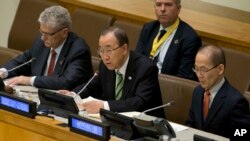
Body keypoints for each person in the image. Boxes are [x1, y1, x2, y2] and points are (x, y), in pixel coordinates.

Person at [60, 26, 164, 118]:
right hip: (116, 122)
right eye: (101, 50)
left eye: (109, 50)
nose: (105, 57)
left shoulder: (146, 68)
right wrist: (73, 95)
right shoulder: (105, 65)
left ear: (124, 49)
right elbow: (92, 86)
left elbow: (140, 102)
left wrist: (104, 106)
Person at [0, 5, 93, 90]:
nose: (43, 37)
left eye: (48, 34)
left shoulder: (79, 50)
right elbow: (22, 62)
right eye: (41, 32)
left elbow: (65, 82)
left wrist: (30, 80)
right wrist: (3, 72)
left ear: (64, 32)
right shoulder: (40, 42)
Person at [185, 45, 250, 139]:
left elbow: (244, 133)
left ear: (220, 69)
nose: (199, 75)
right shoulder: (197, 92)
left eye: (203, 69)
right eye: (196, 68)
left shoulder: (236, 101)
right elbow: (191, 123)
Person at [135, 0, 201, 81]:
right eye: (158, 4)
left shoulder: (189, 39)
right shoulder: (148, 28)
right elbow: (136, 61)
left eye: (168, 5)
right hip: (141, 83)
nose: (162, 9)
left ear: (178, 8)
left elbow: (183, 79)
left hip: (166, 89)